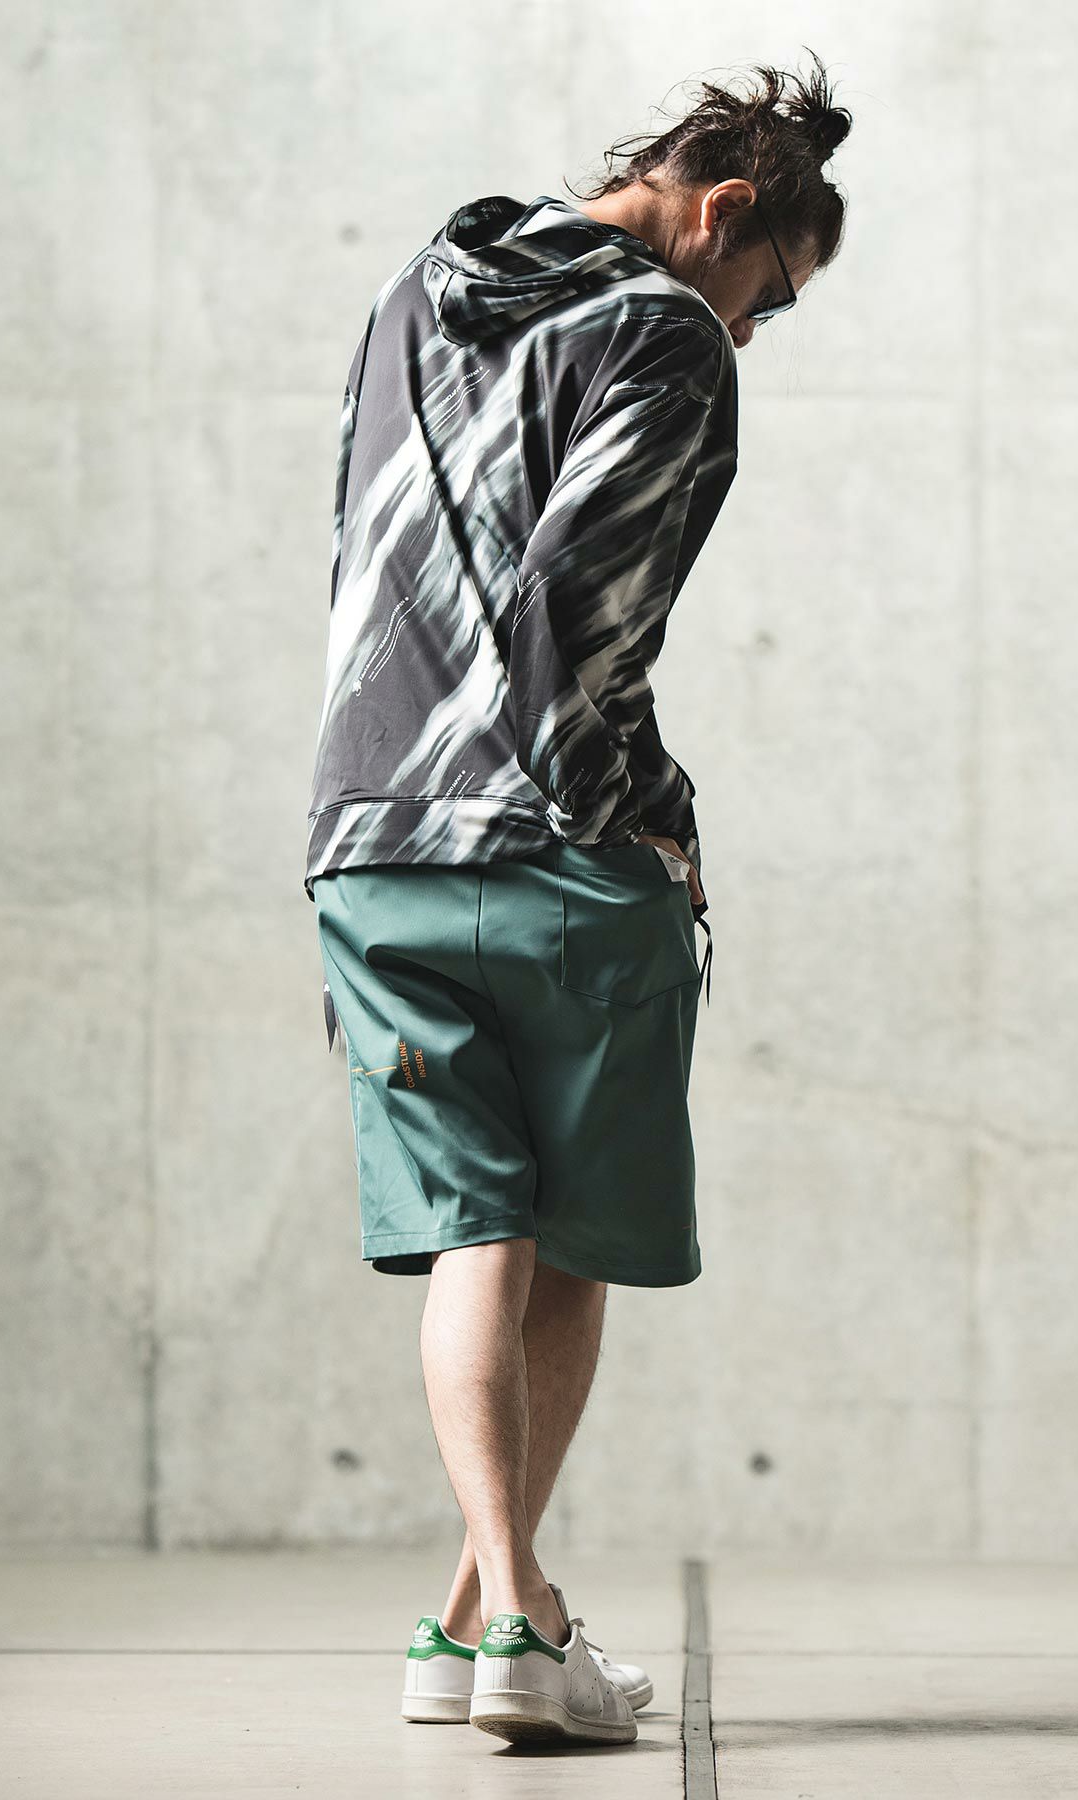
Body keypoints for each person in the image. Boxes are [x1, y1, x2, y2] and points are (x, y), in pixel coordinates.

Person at [304, 54, 851, 1747]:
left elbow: (361, 547)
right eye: (772, 293)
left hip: (369, 834)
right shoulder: (668, 335)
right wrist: (651, 819)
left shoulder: (418, 285)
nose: (756, 328)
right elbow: (577, 615)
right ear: (723, 212)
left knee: (477, 1228)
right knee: (564, 1246)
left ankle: (467, 1627)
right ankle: (528, 1621)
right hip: (554, 857)